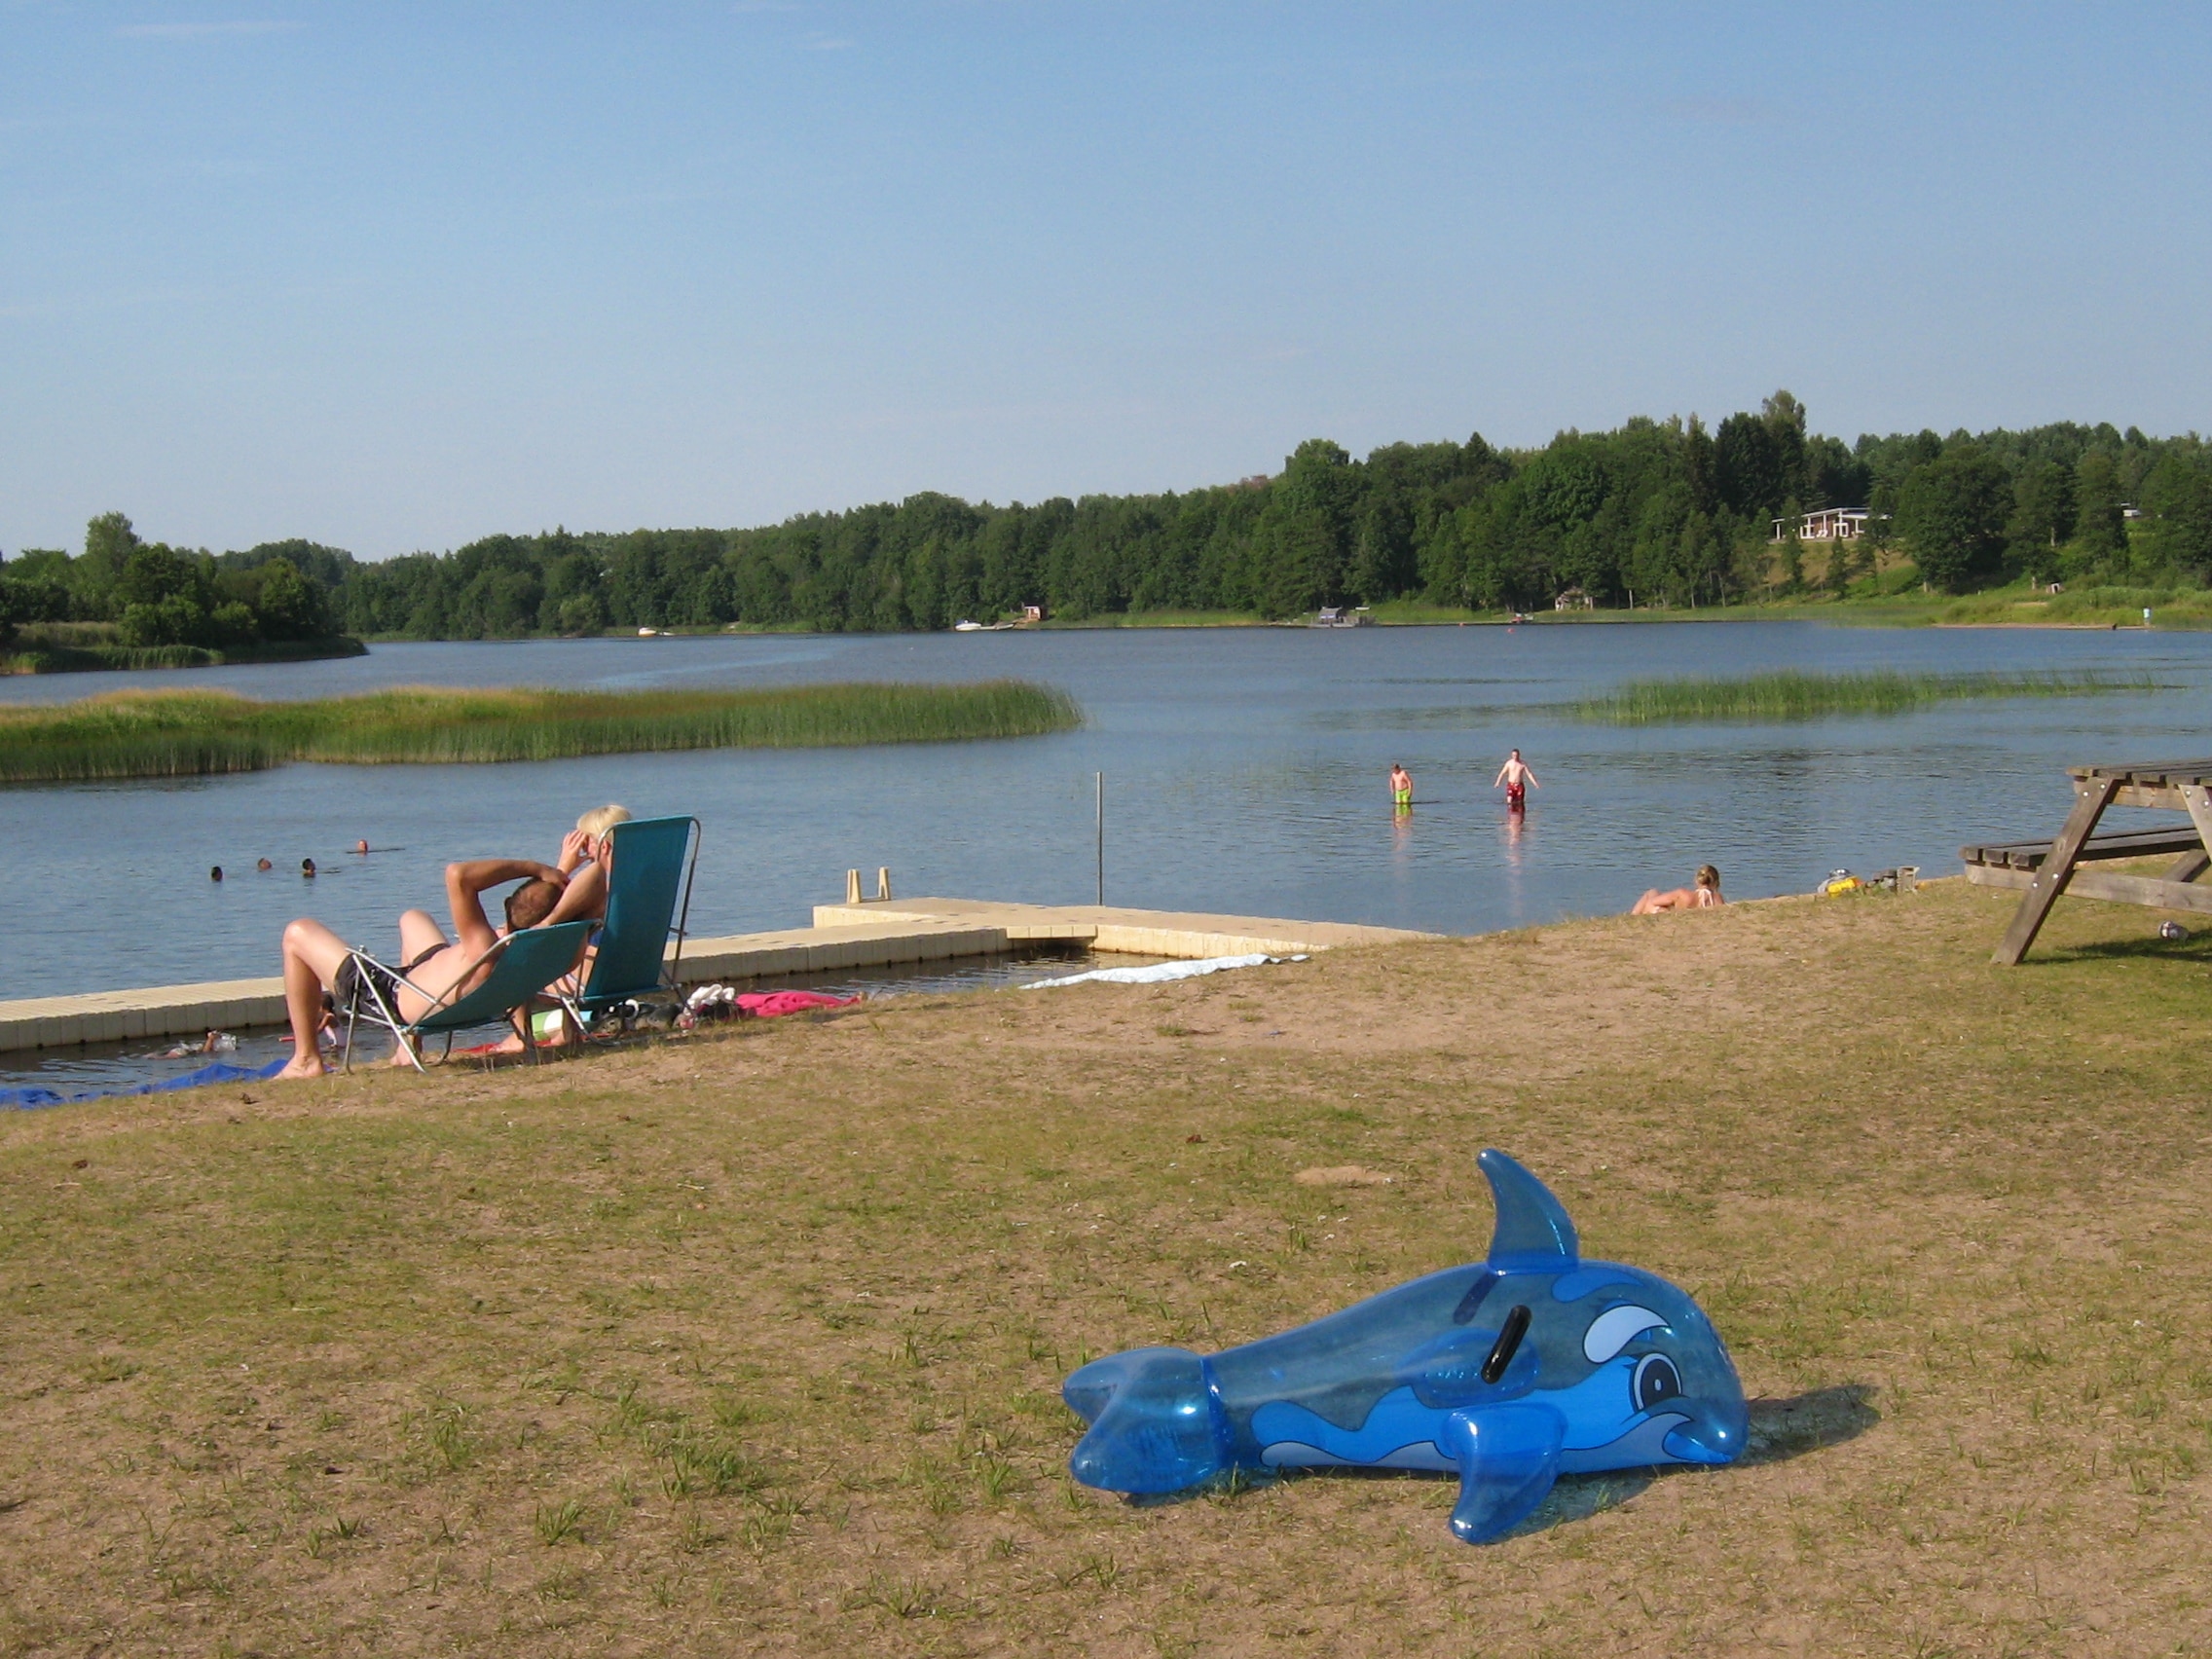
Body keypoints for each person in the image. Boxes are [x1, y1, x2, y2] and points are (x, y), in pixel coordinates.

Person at [275, 857, 569, 1079]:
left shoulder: (483, 948)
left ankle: (306, 1059)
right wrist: (561, 873)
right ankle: (408, 1049)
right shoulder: (544, 950)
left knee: (297, 932)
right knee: (413, 917)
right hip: (439, 983)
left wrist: (535, 868)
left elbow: (458, 875)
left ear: (507, 905)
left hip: (392, 994)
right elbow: (555, 905)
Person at [1632, 865, 1725, 915]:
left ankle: (1633, 917)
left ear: (1697, 880)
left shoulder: (1683, 894)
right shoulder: (1718, 898)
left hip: (1676, 915)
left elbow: (1653, 902)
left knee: (1652, 893)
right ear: (1715, 882)